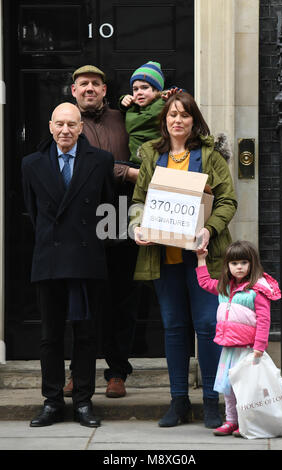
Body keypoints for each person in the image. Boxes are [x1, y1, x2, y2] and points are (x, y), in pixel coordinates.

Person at [129, 92, 238, 428]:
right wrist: (135, 225)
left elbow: (228, 201)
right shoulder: (152, 155)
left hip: (204, 260)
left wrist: (208, 230)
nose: (177, 120)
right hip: (164, 258)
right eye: (172, 115)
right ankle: (178, 402)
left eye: (184, 115)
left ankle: (210, 402)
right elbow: (138, 200)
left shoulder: (209, 156)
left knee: (207, 328)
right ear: (164, 121)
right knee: (174, 328)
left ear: (194, 121)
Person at [22, 102, 114, 427]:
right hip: (48, 260)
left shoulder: (100, 161)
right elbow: (34, 213)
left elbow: (107, 209)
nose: (65, 130)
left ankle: (84, 402)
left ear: (80, 128)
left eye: (71, 124)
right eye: (59, 124)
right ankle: (51, 401)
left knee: (86, 334)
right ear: (50, 127)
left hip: (86, 260)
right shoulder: (31, 165)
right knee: (50, 336)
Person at [66, 65, 140, 399]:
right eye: (84, 84)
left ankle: (117, 372)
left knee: (120, 297)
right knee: (81, 299)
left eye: (96, 83)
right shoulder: (65, 124)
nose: (90, 88)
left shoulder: (123, 118)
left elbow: (158, 125)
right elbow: (80, 162)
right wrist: (126, 172)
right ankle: (77, 373)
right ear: (74, 91)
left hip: (123, 216)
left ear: (105, 90)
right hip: (83, 219)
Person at [196, 240, 281, 437]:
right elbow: (204, 282)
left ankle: (246, 422)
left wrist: (260, 346)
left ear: (252, 264)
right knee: (229, 389)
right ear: (227, 266)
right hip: (229, 349)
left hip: (248, 350)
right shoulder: (225, 288)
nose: (239, 267)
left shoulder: (258, 290)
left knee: (246, 389)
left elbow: (264, 320)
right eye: (234, 263)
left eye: (243, 262)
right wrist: (201, 258)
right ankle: (231, 421)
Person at [120, 60, 179, 164]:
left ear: (157, 91)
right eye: (135, 89)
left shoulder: (163, 105)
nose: (139, 93)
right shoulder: (134, 107)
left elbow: (150, 117)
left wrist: (170, 96)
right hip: (136, 162)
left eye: (145, 87)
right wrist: (123, 101)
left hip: (158, 162)